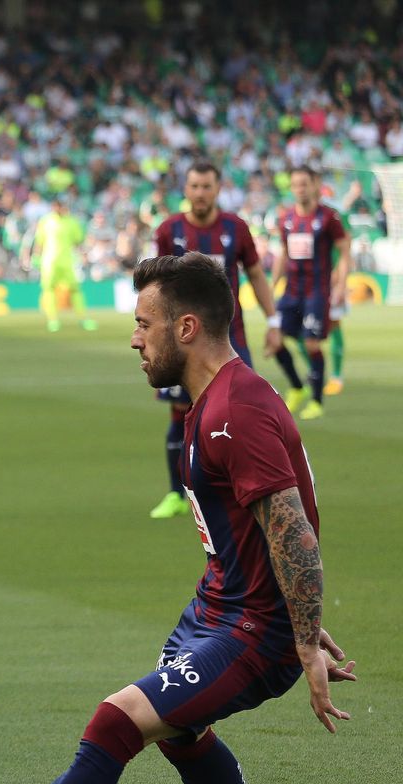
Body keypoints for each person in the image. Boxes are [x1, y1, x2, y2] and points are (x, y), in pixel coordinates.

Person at [0, 252, 356, 784]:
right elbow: (264, 530)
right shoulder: (214, 404)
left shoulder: (234, 410)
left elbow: (294, 532)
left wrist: (299, 639)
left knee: (117, 720)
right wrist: (301, 612)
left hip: (251, 631)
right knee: (178, 730)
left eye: (143, 324)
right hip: (219, 608)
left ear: (185, 327)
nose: (133, 338)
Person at [147, 162, 280, 520]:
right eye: (194, 186)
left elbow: (255, 275)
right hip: (181, 342)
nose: (200, 193)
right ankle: (178, 494)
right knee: (182, 414)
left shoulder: (236, 229)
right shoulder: (168, 230)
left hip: (229, 340)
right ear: (185, 190)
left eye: (207, 186)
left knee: (239, 411)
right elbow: (154, 290)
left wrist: (273, 320)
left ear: (218, 188)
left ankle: (245, 486)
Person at [273, 166, 350, 421]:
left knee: (312, 342)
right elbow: (284, 253)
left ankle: (316, 400)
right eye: (295, 184)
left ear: (314, 185)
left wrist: (340, 286)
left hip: (317, 290)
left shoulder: (328, 217)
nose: (300, 189)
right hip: (292, 289)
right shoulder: (286, 219)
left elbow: (345, 252)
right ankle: (297, 386)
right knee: (275, 339)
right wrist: (272, 284)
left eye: (304, 184)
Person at [25, 198, 96, 333]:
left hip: (68, 261)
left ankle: (83, 319)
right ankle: (53, 320)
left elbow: (78, 241)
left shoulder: (72, 221)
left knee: (75, 289)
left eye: (60, 206)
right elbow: (40, 242)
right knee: (49, 289)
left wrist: (83, 255)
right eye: (55, 206)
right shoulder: (46, 221)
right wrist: (35, 257)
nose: (57, 208)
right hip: (49, 262)